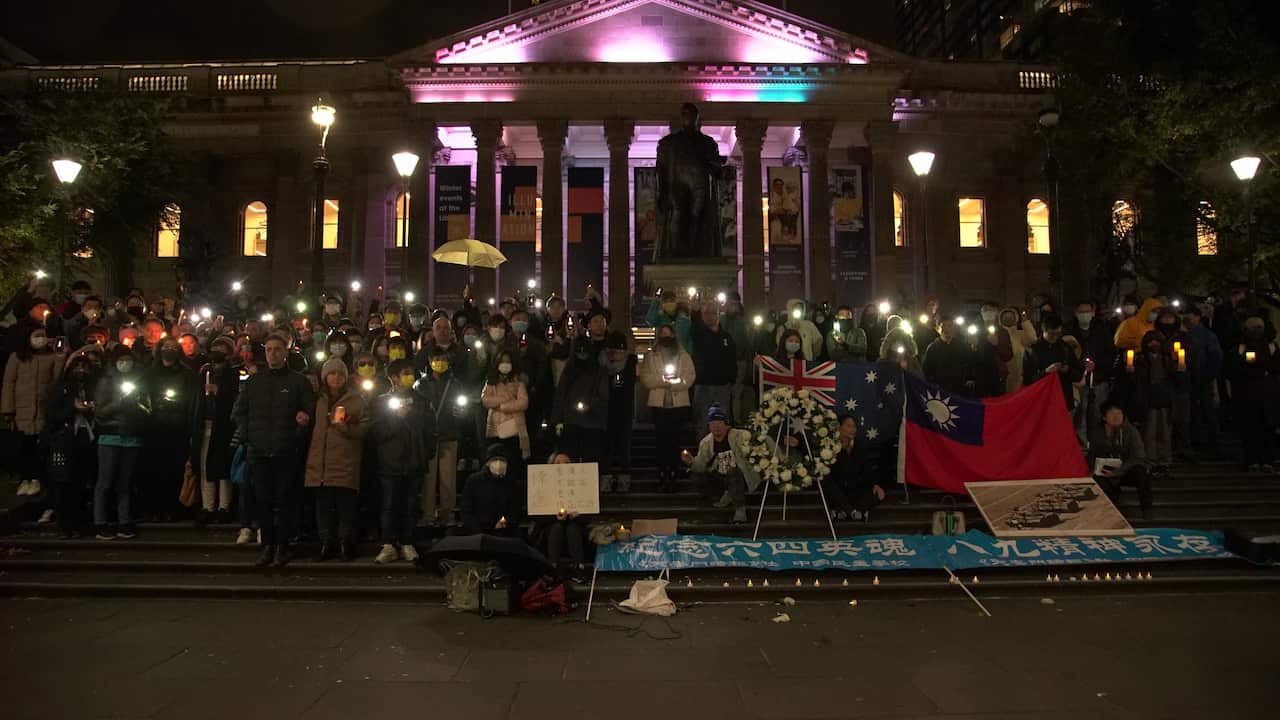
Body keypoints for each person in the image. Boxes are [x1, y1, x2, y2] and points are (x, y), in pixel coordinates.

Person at [232, 335, 315, 568]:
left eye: (277, 350)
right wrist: (249, 436)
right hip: (259, 451)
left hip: (286, 450)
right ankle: (268, 545)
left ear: (286, 352)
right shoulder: (254, 382)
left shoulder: (298, 382)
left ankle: (282, 545)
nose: (273, 354)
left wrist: (299, 430)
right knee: (263, 500)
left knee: (285, 499)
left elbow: (309, 412)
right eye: (268, 350)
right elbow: (239, 411)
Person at [305, 359, 369, 562]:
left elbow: (365, 428)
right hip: (320, 463)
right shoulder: (318, 399)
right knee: (323, 507)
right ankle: (326, 542)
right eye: (331, 374)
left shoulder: (356, 400)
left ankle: (345, 543)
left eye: (340, 374)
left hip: (345, 461)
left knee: (345, 507)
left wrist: (345, 427)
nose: (336, 378)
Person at [372, 359, 435, 562]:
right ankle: (388, 544)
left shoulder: (422, 402)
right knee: (389, 504)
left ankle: (407, 542)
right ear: (394, 378)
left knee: (410, 505)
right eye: (405, 373)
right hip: (390, 462)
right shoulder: (381, 402)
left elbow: (429, 431)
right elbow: (378, 433)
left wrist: (426, 453)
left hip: (414, 460)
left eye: (411, 373)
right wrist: (397, 418)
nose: (409, 377)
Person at [93, 346, 151, 540]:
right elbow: (100, 410)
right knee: (105, 481)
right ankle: (100, 522)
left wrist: (137, 405)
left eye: (128, 360)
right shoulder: (106, 381)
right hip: (110, 435)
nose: (125, 363)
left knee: (125, 482)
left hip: (131, 436)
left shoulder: (139, 381)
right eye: (121, 360)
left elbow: (148, 409)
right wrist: (119, 403)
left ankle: (123, 521)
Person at [43, 349, 102, 537]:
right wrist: (72, 408)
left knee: (80, 482)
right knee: (63, 483)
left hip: (86, 438)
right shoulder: (60, 388)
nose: (81, 371)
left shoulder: (93, 388)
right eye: (77, 366)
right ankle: (64, 524)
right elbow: (52, 414)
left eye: (85, 367)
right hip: (64, 439)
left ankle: (77, 523)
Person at [3, 325, 64, 498]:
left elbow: (56, 379)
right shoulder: (17, 358)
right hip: (22, 410)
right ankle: (25, 479)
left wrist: (60, 358)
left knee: (40, 448)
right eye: (37, 335)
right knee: (23, 447)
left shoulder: (51, 357)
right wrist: (8, 409)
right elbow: (9, 383)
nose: (41, 339)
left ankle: (37, 479)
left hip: (43, 410)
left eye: (43, 335)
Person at [141, 336, 196, 521]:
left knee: (174, 469)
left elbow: (190, 399)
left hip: (176, 427)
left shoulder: (186, 374)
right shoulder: (150, 373)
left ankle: (173, 508)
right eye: (167, 346)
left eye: (173, 347)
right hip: (154, 426)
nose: (169, 350)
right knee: (154, 469)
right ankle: (154, 507)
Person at [681, 404, 760, 523]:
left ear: (726, 424)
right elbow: (701, 465)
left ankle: (740, 508)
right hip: (720, 477)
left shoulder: (740, 435)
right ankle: (720, 497)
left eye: (719, 423)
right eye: (713, 424)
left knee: (733, 472)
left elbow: (762, 443)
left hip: (740, 475)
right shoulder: (706, 442)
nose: (716, 427)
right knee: (696, 476)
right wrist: (691, 462)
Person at [641, 324, 695, 492]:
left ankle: (674, 473)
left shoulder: (683, 356)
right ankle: (662, 473)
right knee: (660, 442)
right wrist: (660, 381)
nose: (666, 337)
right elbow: (645, 377)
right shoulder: (652, 356)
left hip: (677, 405)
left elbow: (690, 376)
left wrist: (674, 384)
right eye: (662, 334)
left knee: (675, 441)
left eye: (668, 334)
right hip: (659, 405)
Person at [192, 337, 240, 526]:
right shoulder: (204, 372)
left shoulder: (234, 374)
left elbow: (235, 398)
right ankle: (207, 505)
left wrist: (219, 392)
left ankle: (224, 506)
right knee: (205, 467)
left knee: (223, 467)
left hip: (224, 426)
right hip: (205, 424)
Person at [419, 346, 465, 526]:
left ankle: (448, 514)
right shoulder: (421, 384)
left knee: (448, 478)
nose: (440, 363)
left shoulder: (455, 383)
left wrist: (461, 413)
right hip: (429, 435)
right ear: (430, 362)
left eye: (443, 359)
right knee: (428, 478)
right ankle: (428, 515)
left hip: (449, 433)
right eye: (436, 359)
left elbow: (462, 409)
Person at [1088, 404, 1153, 520]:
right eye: (1112, 414)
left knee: (1141, 472)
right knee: (1097, 479)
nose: (1116, 417)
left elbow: (1138, 456)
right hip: (1105, 469)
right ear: (1104, 417)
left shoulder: (1130, 431)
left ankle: (1147, 509)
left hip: (1126, 469)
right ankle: (1110, 510)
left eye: (1119, 413)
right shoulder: (1097, 432)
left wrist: (1119, 471)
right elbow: (1092, 455)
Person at [1232, 316, 1278, 472]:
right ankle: (1252, 459)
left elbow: (1275, 366)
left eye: (1259, 327)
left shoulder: (1272, 346)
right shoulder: (1241, 347)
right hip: (1248, 394)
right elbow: (1237, 368)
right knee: (1250, 428)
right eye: (1253, 328)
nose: (1256, 331)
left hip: (1267, 395)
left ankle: (1267, 459)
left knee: (1267, 428)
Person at [822, 416, 885, 521]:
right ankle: (854, 512)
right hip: (838, 490)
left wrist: (875, 484)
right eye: (848, 426)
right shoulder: (831, 446)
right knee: (828, 483)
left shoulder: (860, 446)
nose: (852, 429)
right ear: (839, 428)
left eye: (854, 427)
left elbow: (867, 471)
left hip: (855, 489)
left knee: (878, 495)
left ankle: (845, 512)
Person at [1130, 330, 1179, 465]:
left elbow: (1176, 379)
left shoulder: (1167, 359)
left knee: (1165, 433)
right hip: (1149, 399)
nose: (1154, 344)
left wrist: (1178, 366)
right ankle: (1150, 461)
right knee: (1149, 433)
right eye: (1151, 341)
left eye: (1156, 341)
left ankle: (1165, 461)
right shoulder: (1141, 359)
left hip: (1164, 399)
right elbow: (1137, 381)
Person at [690, 301, 737, 436]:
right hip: (703, 385)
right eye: (706, 313)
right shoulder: (697, 334)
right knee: (702, 422)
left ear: (718, 315)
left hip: (722, 386)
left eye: (713, 313)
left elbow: (732, 360)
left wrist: (731, 379)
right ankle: (704, 454)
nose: (710, 316)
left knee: (722, 422)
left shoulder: (726, 337)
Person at [1022, 314, 1085, 410]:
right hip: (1041, 402)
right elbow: (1027, 380)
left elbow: (1078, 374)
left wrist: (1068, 370)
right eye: (1052, 334)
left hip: (1063, 400)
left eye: (1058, 333)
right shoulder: (1032, 350)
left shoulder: (1065, 348)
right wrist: (1046, 372)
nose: (1055, 337)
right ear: (1044, 330)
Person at [600, 331, 637, 493]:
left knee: (624, 446)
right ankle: (606, 477)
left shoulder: (630, 363)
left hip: (625, 410)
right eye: (614, 350)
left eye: (621, 350)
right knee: (607, 446)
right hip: (606, 410)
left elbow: (630, 384)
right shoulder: (602, 365)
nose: (618, 354)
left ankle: (624, 478)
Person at [1182, 306, 1222, 454]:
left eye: (1191, 315)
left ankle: (1212, 442)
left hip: (1202, 377)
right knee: (1193, 411)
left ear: (1198, 317)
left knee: (1207, 409)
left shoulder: (1207, 336)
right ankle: (1197, 440)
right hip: (1189, 378)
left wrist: (1207, 375)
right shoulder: (1185, 335)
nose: (1188, 319)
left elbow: (1215, 357)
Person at [460, 443, 522, 535]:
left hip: (503, 532)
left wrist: (504, 522)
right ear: (487, 462)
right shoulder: (474, 481)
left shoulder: (511, 483)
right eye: (494, 459)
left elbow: (515, 510)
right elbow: (466, 510)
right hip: (477, 533)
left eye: (502, 460)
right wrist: (478, 530)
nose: (498, 463)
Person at [481, 349, 530, 459]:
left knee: (513, 460)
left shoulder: (518, 382)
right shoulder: (491, 381)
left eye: (508, 362)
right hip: (495, 429)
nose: (505, 364)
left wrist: (504, 407)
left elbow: (524, 402)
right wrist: (504, 399)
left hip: (514, 428)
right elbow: (485, 400)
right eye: (503, 361)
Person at [922, 319, 972, 396]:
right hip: (941, 389)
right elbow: (927, 368)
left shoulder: (961, 346)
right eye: (943, 326)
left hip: (959, 388)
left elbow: (968, 363)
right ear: (938, 329)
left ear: (953, 328)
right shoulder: (933, 347)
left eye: (949, 326)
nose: (946, 329)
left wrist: (969, 378)